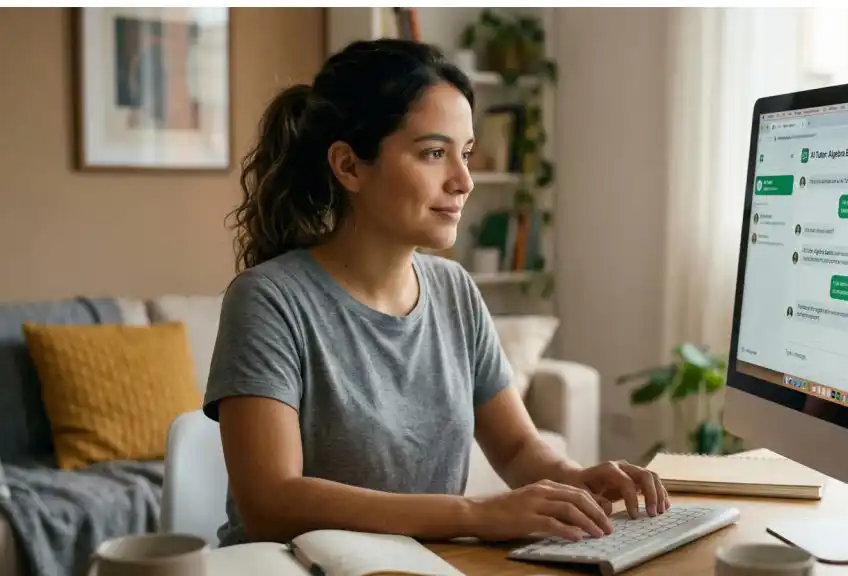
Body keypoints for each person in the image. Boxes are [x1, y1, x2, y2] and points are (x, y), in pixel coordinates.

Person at [203, 38, 669, 549]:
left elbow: (516, 448)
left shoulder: (454, 290)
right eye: (434, 153)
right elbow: (270, 504)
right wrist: (475, 514)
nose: (464, 180)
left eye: (465, 153)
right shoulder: (268, 300)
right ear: (349, 166)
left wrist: (575, 480)